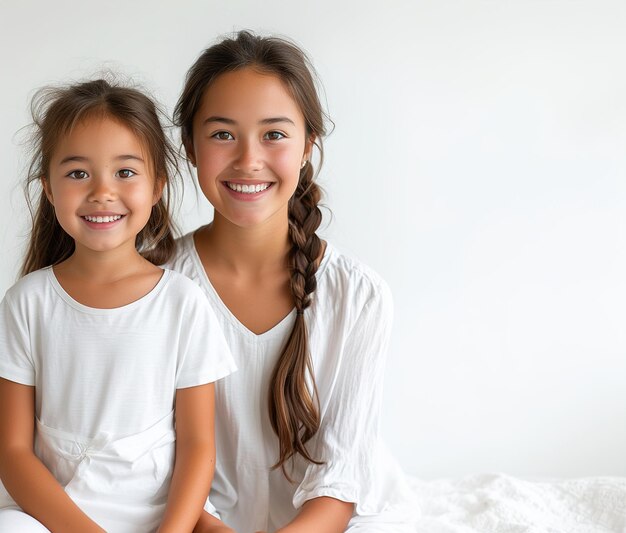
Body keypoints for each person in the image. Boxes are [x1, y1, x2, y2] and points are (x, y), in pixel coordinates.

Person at [169, 31, 415, 533]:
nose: (248, 159)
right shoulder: (156, 286)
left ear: (308, 146)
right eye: (221, 134)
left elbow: (342, 478)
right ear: (190, 147)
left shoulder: (359, 296)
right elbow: (149, 459)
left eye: (274, 134)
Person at [0, 79, 237, 533]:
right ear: (49, 190)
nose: (102, 192)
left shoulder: (182, 303)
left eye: (125, 172)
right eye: (77, 173)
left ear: (156, 188)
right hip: (57, 515)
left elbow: (198, 447)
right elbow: (12, 452)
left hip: (160, 515)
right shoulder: (26, 303)